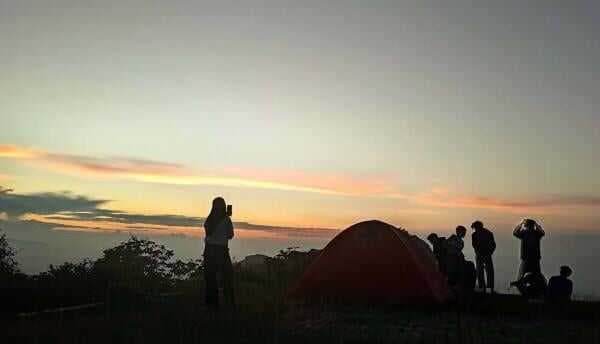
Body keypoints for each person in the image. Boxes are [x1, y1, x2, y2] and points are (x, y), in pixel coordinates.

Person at [203, 197, 235, 309]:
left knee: (210, 278)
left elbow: (208, 234)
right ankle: (229, 304)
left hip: (209, 250)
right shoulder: (226, 219)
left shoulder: (209, 219)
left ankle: (212, 305)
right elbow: (231, 235)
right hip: (222, 250)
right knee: (227, 278)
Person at [471, 221, 496, 294]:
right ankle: (489, 288)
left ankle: (483, 287)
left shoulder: (475, 234)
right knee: (488, 271)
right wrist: (490, 252)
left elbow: (474, 245)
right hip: (485, 254)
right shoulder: (488, 233)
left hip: (481, 254)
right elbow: (493, 245)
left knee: (480, 271)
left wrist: (479, 252)